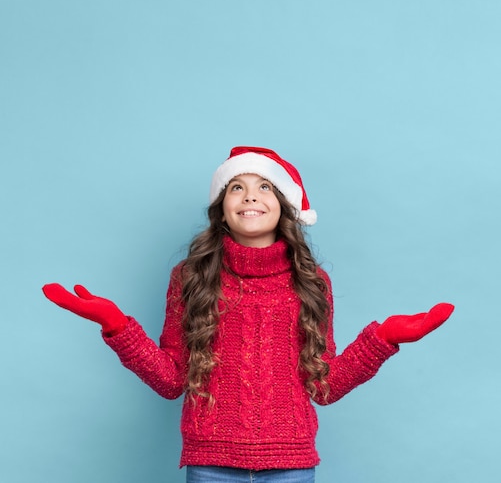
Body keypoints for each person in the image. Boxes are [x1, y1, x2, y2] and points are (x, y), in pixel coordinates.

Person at [43, 146, 454, 483]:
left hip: (291, 465)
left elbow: (323, 385)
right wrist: (118, 327)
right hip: (210, 464)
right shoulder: (190, 277)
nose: (250, 195)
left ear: (285, 206)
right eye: (236, 186)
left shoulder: (312, 282)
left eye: (264, 187)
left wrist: (383, 340)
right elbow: (172, 380)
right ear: (222, 207)